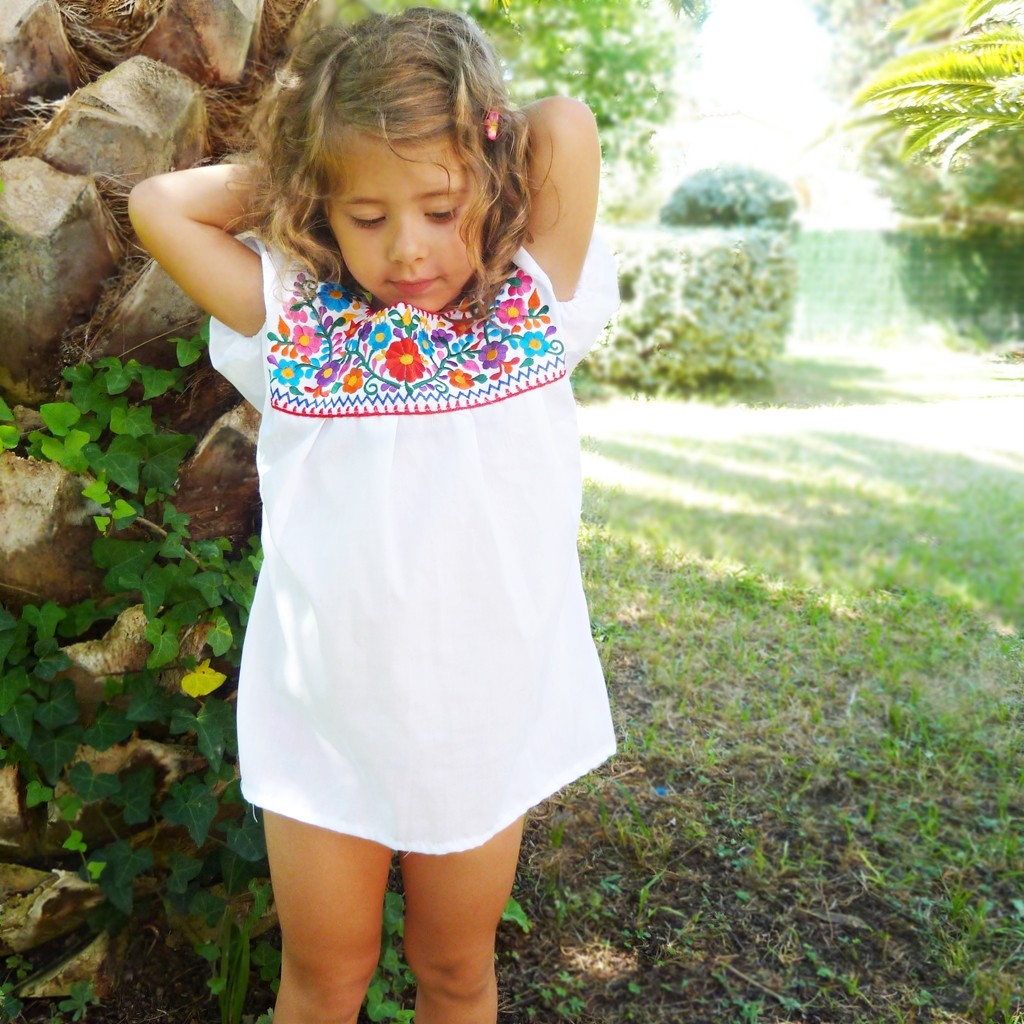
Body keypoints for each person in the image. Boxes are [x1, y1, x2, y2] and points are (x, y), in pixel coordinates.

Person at [128, 7, 618, 1023]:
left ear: (489, 179)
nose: (407, 248)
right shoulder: (293, 319)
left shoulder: (535, 301)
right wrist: (315, 159)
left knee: (456, 972)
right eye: (364, 216)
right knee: (323, 979)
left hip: (482, 715)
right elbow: (160, 204)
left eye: (441, 208)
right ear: (325, 208)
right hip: (325, 718)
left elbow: (564, 125)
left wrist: (443, 142)